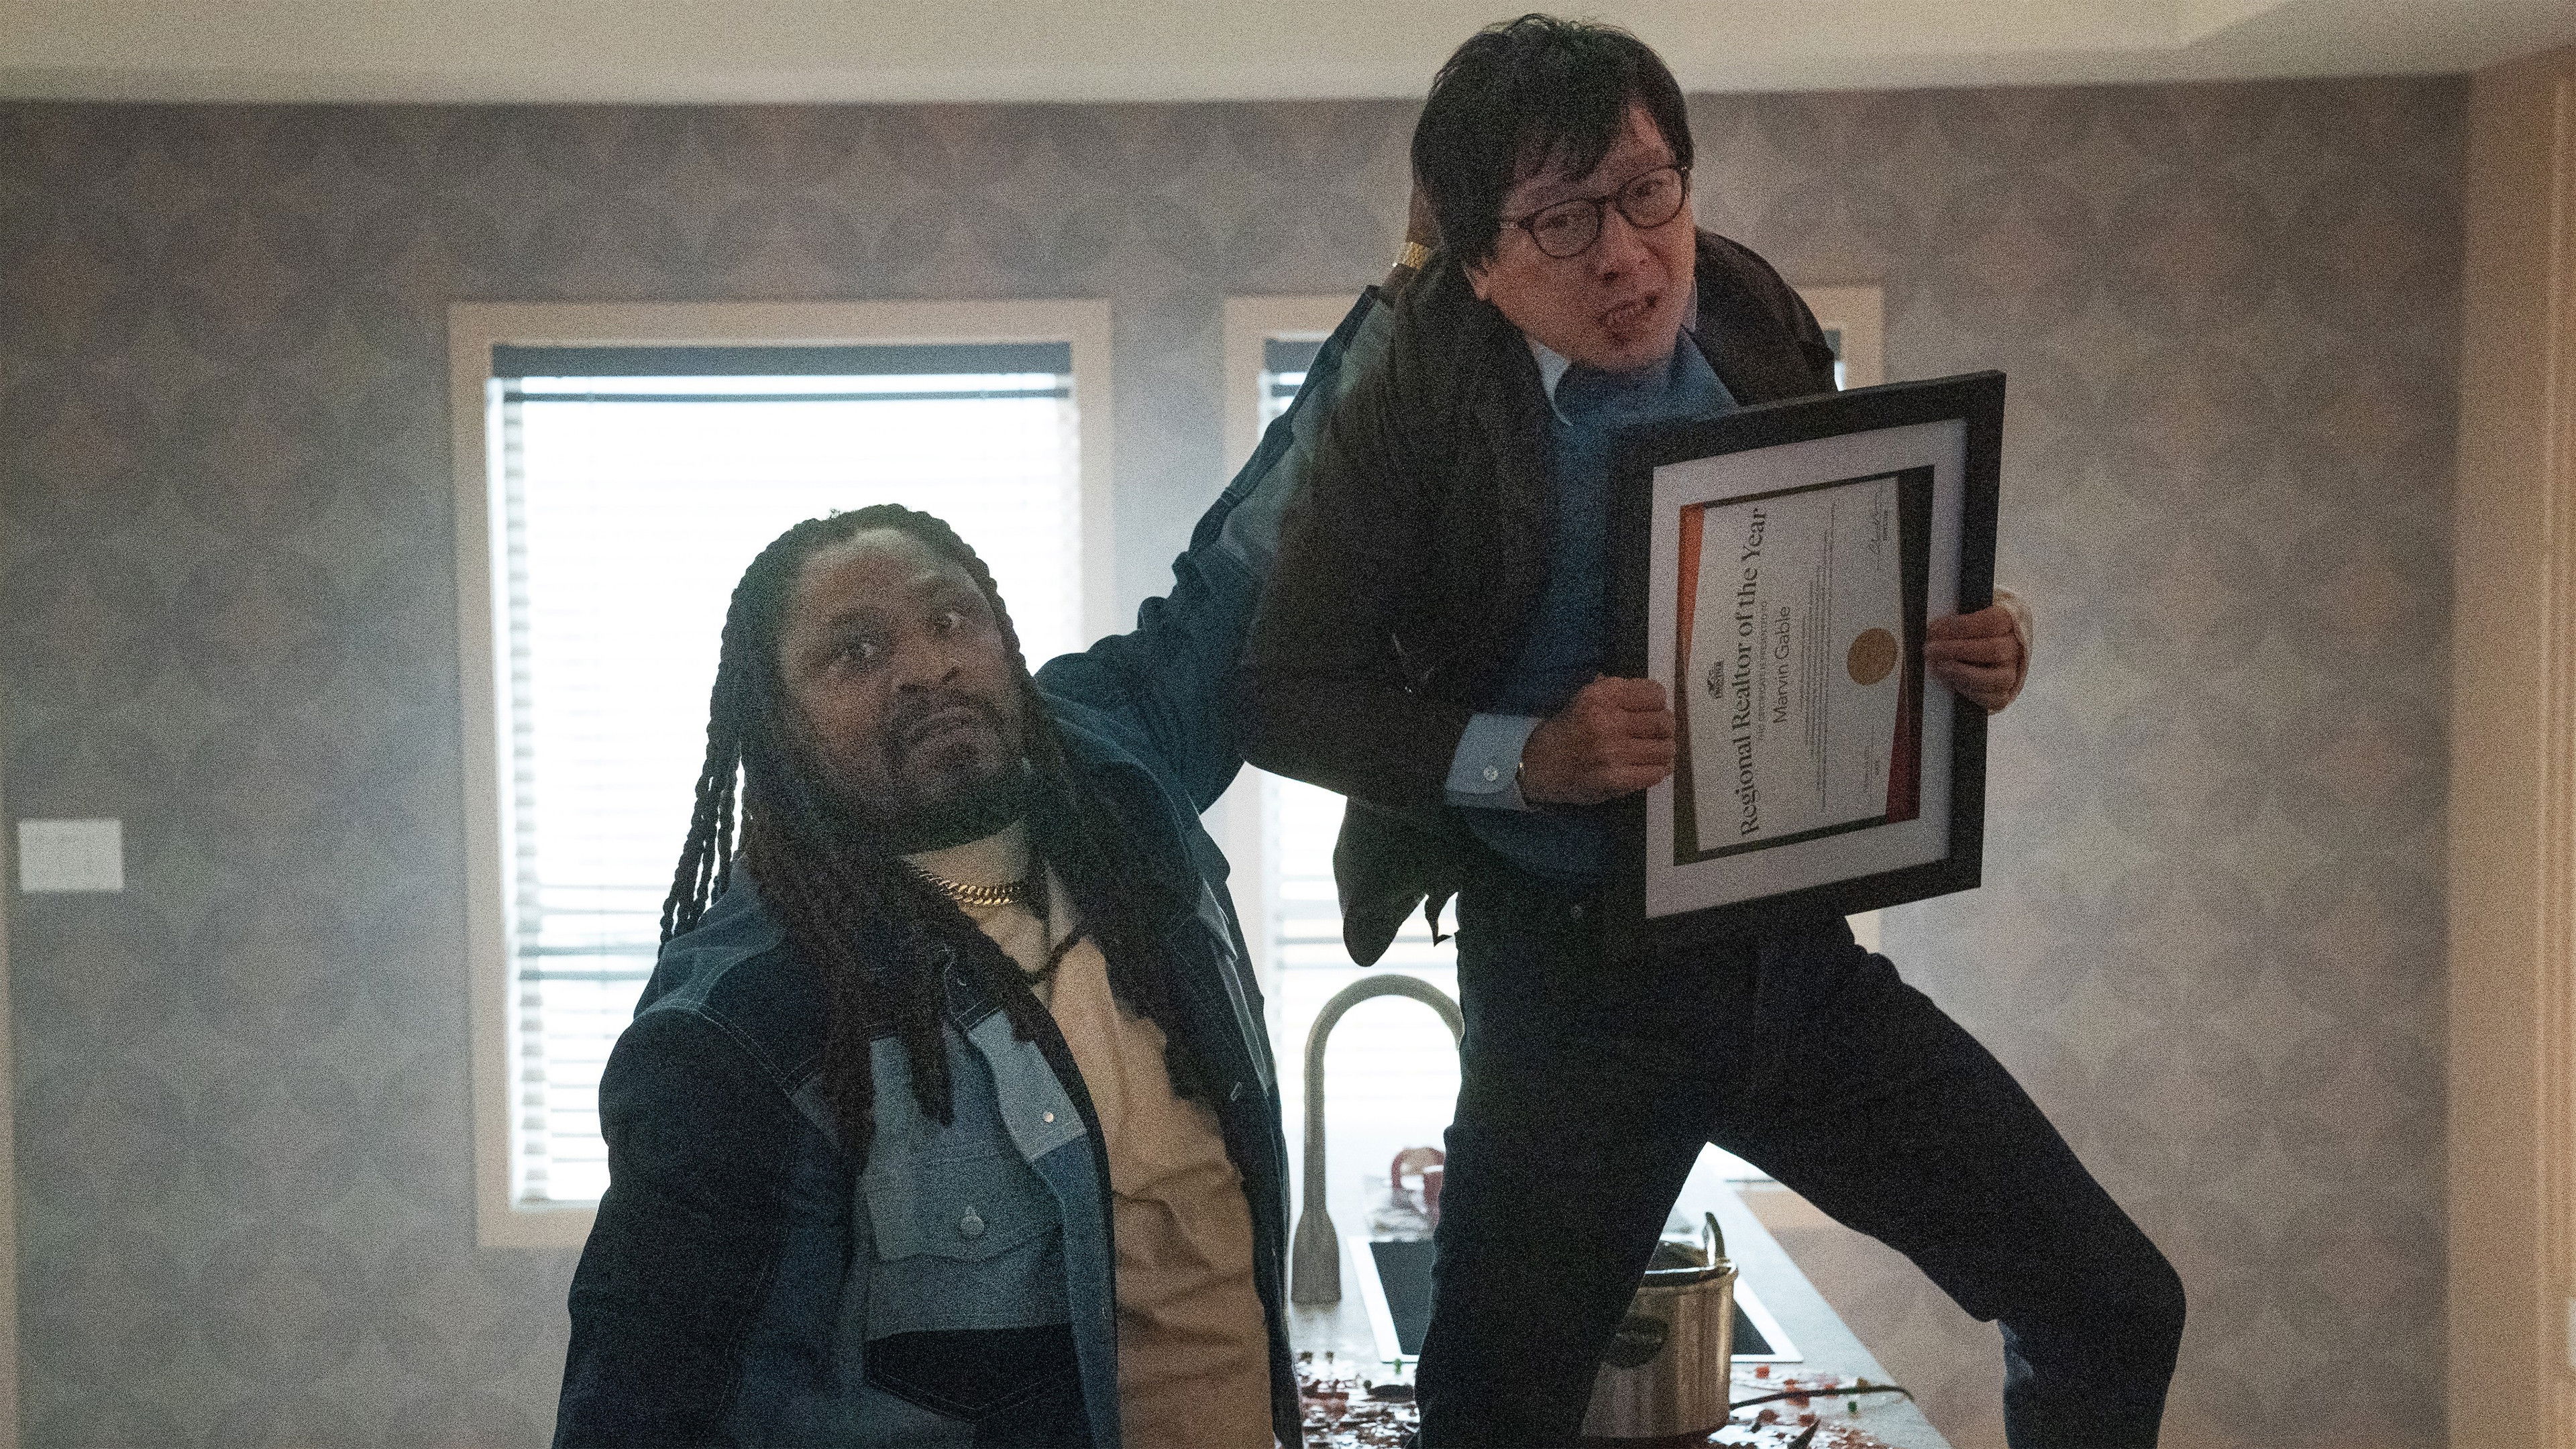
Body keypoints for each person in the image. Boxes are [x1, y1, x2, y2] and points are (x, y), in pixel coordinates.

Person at [1242, 15, 2184, 1448]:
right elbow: (1281, 692)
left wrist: (1980, 632)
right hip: (1569, 988)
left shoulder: (1743, 300)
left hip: (1786, 955)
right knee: (1490, 1420)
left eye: (1647, 192)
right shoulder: (1410, 403)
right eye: (1561, 221)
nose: (1627, 256)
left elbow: (1845, 543)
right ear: (1479, 258)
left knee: (2115, 1303)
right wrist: (1523, 757)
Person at [551, 289, 1394, 1448]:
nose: (924, 667)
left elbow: (1255, 562)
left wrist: (1416, 284)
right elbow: (646, 1413)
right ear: (780, 729)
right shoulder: (736, 1030)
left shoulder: (1114, 773)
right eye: (856, 651)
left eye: (952, 620)